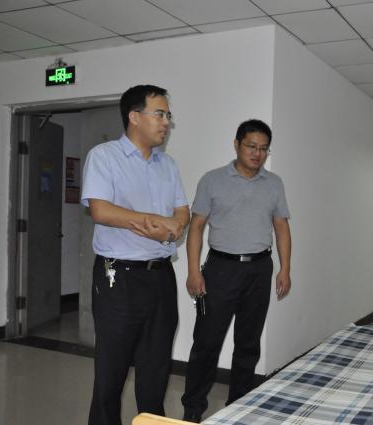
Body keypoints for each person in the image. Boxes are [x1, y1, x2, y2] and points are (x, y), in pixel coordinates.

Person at [81, 85, 190, 425]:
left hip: (160, 276)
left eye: (168, 115)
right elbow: (100, 210)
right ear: (134, 117)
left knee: (156, 369)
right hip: (119, 278)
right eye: (160, 114)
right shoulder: (104, 156)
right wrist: (153, 222)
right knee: (111, 372)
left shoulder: (167, 164)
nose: (166, 122)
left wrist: (174, 226)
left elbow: (182, 212)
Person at [181, 119, 291, 423]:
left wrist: (285, 268)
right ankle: (192, 410)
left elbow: (281, 227)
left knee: (248, 343)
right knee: (207, 342)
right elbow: (196, 227)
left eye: (264, 149)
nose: (257, 153)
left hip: (259, 269)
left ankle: (239, 406)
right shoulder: (212, 180)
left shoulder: (274, 183)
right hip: (220, 269)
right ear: (236, 145)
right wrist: (193, 271)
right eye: (251, 146)